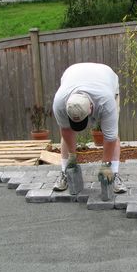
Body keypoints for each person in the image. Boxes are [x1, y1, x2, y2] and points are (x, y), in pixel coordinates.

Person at [52, 62, 127, 193]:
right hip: (73, 74)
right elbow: (66, 130)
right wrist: (72, 158)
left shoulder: (106, 101)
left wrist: (105, 165)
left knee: (112, 132)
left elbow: (110, 137)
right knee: (66, 134)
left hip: (106, 79)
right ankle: (65, 171)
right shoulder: (60, 102)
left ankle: (113, 174)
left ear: (91, 108)